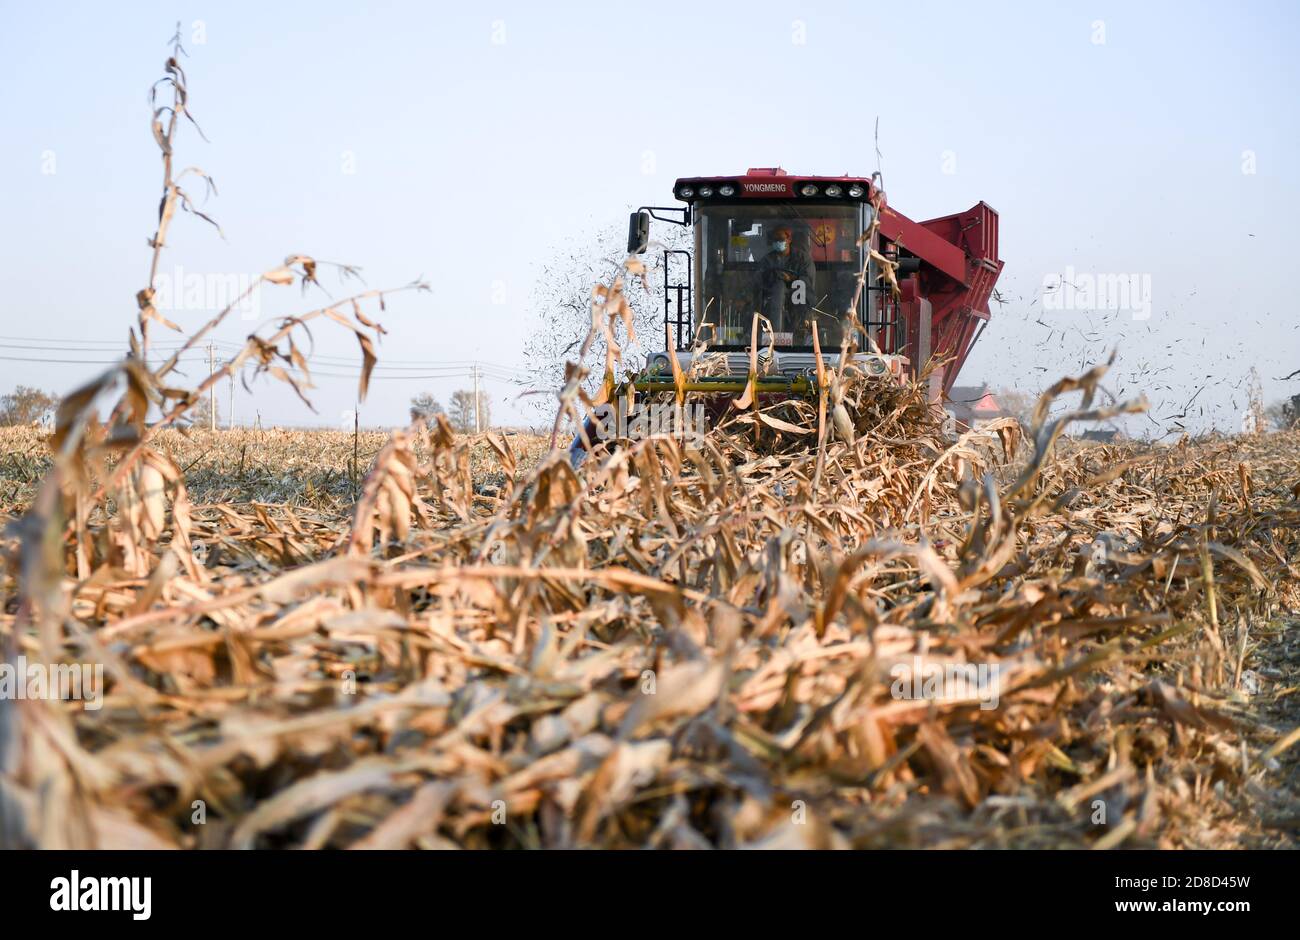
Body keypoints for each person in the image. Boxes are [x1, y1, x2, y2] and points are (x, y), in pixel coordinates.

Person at [757, 225, 817, 338]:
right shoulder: (767, 260)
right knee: (778, 286)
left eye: (780, 239)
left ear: (789, 239)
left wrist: (791, 279)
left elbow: (809, 281)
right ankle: (773, 337)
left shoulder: (803, 259)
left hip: (799, 305)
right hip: (771, 306)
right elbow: (757, 282)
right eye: (774, 240)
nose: (777, 242)